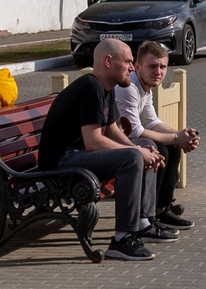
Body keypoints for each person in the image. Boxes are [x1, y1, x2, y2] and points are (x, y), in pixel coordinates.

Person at [38, 36, 160, 260]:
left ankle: (144, 222)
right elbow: (93, 141)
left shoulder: (106, 87)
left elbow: (112, 130)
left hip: (76, 156)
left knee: (146, 146)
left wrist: (139, 148)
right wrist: (135, 153)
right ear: (108, 61)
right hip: (60, 162)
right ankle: (122, 239)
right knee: (132, 158)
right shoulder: (90, 87)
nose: (132, 67)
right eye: (128, 61)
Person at [115, 40, 197, 232]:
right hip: (112, 146)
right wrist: (177, 138)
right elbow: (134, 131)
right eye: (152, 66)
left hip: (123, 142)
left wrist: (181, 135)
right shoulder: (129, 88)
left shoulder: (145, 87)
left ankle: (161, 209)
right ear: (137, 67)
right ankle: (147, 216)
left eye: (162, 67)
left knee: (172, 147)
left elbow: (151, 121)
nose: (158, 72)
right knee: (157, 148)